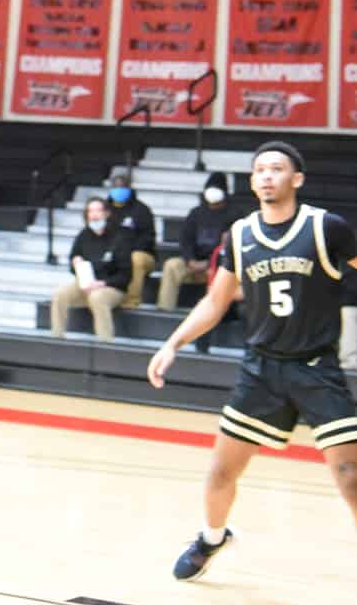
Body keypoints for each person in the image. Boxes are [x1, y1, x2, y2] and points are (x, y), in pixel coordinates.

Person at [148, 141, 357, 581]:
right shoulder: (240, 235)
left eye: (276, 169)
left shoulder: (327, 228)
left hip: (316, 367)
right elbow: (215, 301)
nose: (266, 176)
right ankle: (211, 537)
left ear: (296, 179)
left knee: (349, 475)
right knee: (223, 470)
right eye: (259, 169)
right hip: (261, 369)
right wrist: (173, 344)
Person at [50, 197, 132, 340]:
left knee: (97, 297)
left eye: (98, 210)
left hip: (111, 287)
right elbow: (73, 261)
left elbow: (125, 275)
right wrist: (75, 263)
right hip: (86, 284)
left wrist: (102, 283)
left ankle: (105, 342)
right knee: (60, 295)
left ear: (106, 213)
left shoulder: (119, 237)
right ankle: (56, 337)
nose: (94, 215)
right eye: (90, 211)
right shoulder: (83, 235)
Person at [157, 172, 234, 310]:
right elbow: (185, 239)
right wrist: (190, 260)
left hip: (216, 265)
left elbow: (229, 247)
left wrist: (209, 262)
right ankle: (165, 309)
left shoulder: (234, 214)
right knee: (171, 265)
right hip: (193, 263)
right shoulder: (196, 213)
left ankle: (211, 312)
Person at [107, 170, 156, 306]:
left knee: (135, 258)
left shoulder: (141, 210)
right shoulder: (104, 209)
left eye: (123, 187)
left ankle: (131, 301)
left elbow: (148, 238)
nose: (119, 190)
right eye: (116, 187)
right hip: (113, 253)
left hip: (140, 254)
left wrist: (126, 252)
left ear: (129, 188)